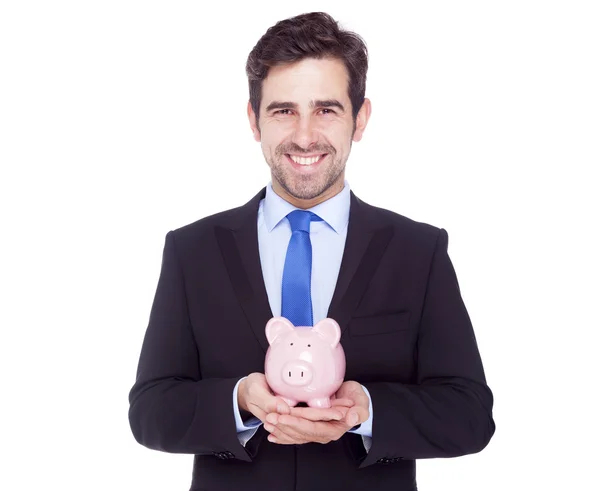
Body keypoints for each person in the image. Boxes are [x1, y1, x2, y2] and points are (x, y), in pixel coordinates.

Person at [128, 11, 495, 491]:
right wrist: (238, 400)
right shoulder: (192, 250)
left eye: (326, 109)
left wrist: (366, 409)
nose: (304, 135)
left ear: (359, 118)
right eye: (283, 110)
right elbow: (150, 409)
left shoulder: (418, 251)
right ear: (254, 120)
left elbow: (468, 414)